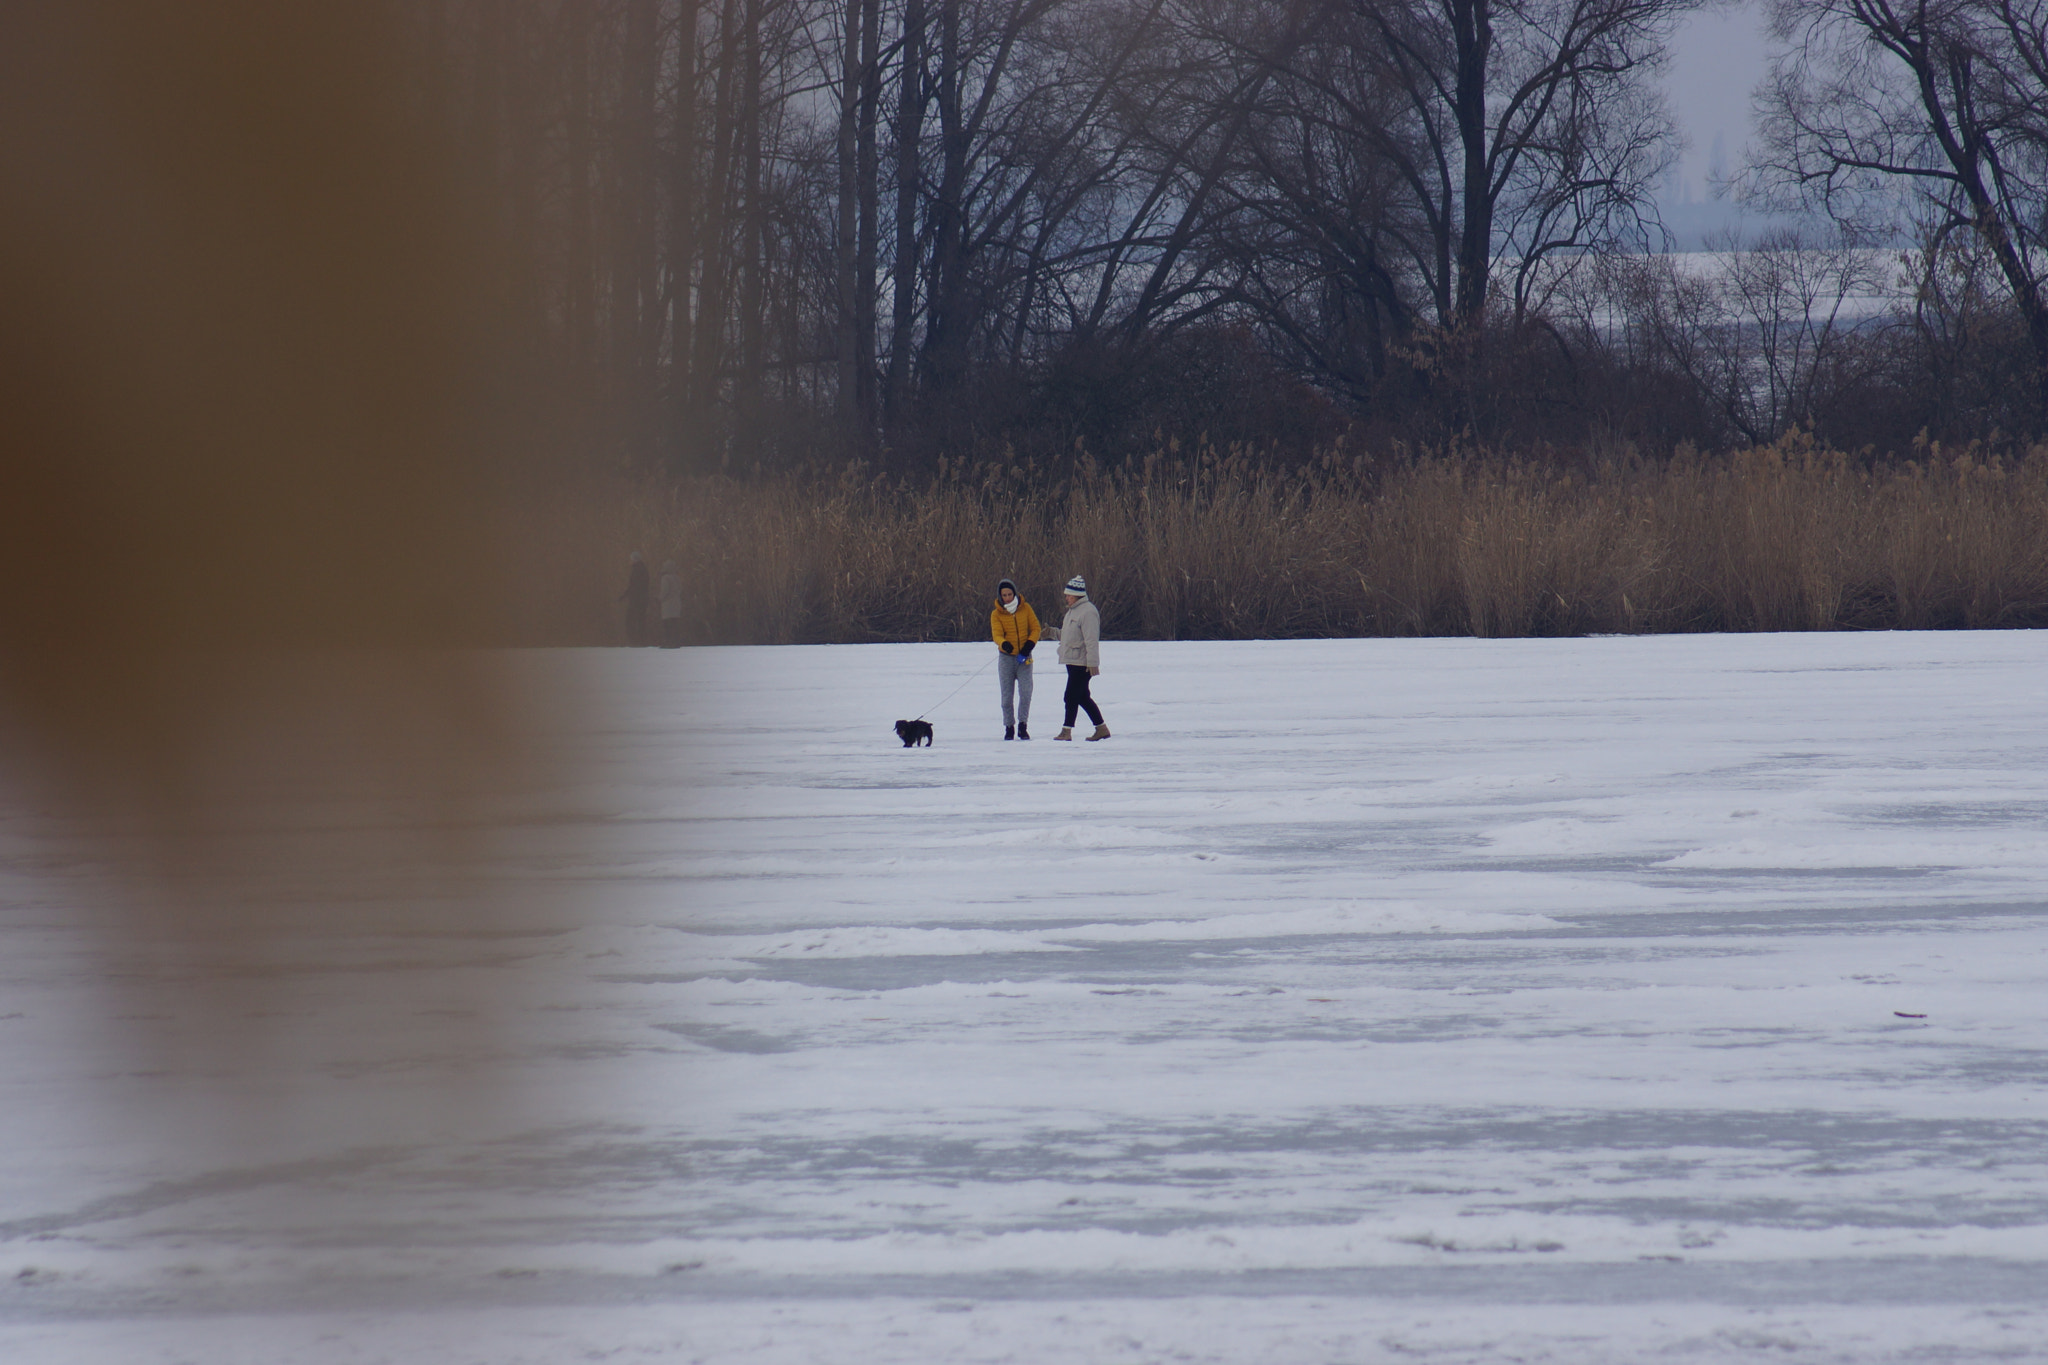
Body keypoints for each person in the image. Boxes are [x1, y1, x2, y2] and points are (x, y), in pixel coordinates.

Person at [1053, 574, 1108, 741]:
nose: (1066, 598)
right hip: (1072, 661)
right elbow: (1069, 636)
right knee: (1082, 697)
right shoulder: (1072, 612)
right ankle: (1101, 729)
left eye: (1068, 595)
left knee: (1070, 696)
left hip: (1082, 664)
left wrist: (1092, 664)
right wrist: (1052, 633)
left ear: (1076, 595)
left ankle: (1066, 731)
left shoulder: (1088, 612)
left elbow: (1091, 640)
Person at [990, 578, 1040, 740]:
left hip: (1024, 658)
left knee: (1026, 693)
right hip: (1006, 659)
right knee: (1006, 697)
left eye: (1010, 594)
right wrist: (1004, 644)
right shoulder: (996, 614)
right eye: (1004, 595)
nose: (1007, 598)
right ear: (1000, 596)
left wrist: (1028, 646)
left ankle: (1023, 726)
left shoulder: (1025, 609)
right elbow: (996, 634)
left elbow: (1035, 628)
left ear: (1015, 593)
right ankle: (1009, 727)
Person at [620, 550, 650, 646]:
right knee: (641, 620)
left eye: (631, 559)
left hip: (636, 600)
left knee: (630, 621)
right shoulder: (643, 569)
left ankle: (634, 641)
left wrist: (625, 596)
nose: (630, 561)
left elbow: (634, 586)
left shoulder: (637, 570)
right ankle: (641, 641)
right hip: (642, 599)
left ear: (634, 560)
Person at [658, 559, 683, 648]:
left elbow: (665, 591)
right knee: (675, 624)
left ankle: (668, 642)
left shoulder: (665, 578)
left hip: (668, 604)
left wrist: (659, 598)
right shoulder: (677, 577)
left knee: (667, 624)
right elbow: (680, 589)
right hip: (677, 603)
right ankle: (675, 642)